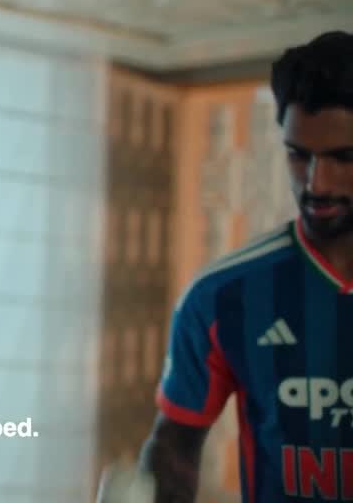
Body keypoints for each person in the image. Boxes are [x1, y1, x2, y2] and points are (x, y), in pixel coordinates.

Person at [103, 31, 353, 502]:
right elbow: (176, 444)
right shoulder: (221, 296)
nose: (317, 183)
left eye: (344, 157)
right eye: (299, 155)